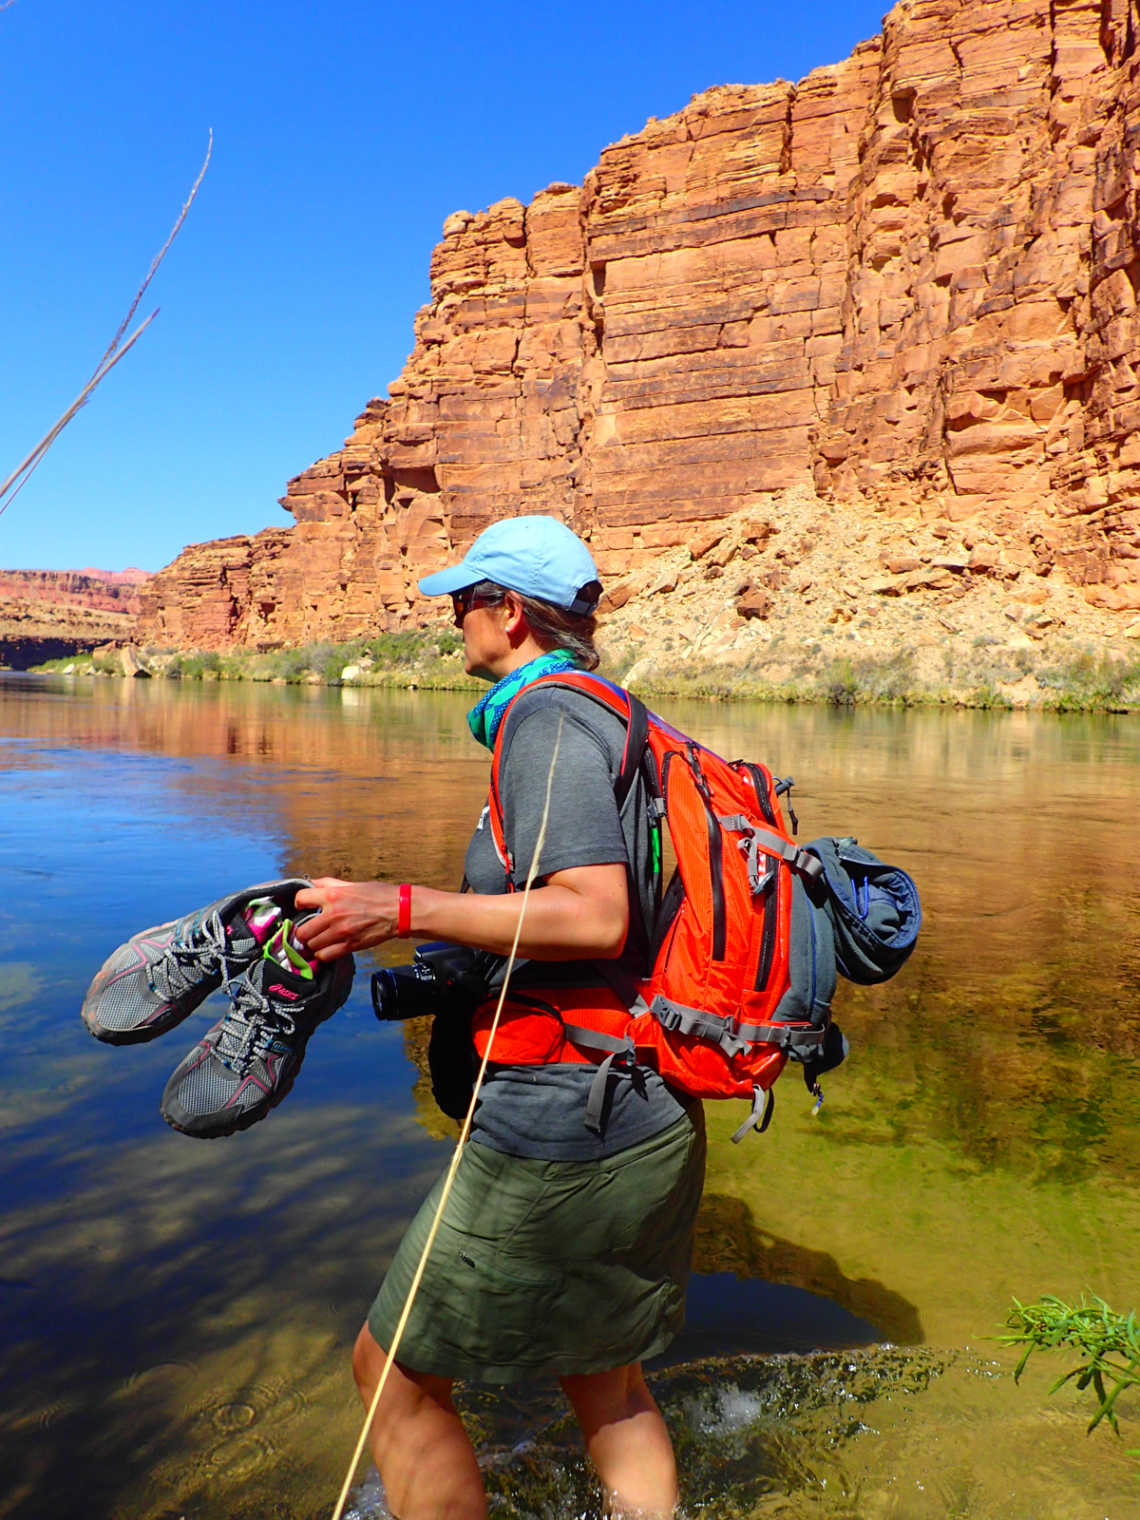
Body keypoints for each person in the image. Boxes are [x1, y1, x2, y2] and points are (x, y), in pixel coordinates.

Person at [295, 516, 705, 1520]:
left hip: (564, 1117)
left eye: (462, 600)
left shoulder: (549, 720)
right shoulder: (616, 713)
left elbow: (594, 909)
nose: (452, 619)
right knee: (604, 1378)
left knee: (390, 1374)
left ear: (511, 612)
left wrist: (397, 908)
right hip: (642, 1099)